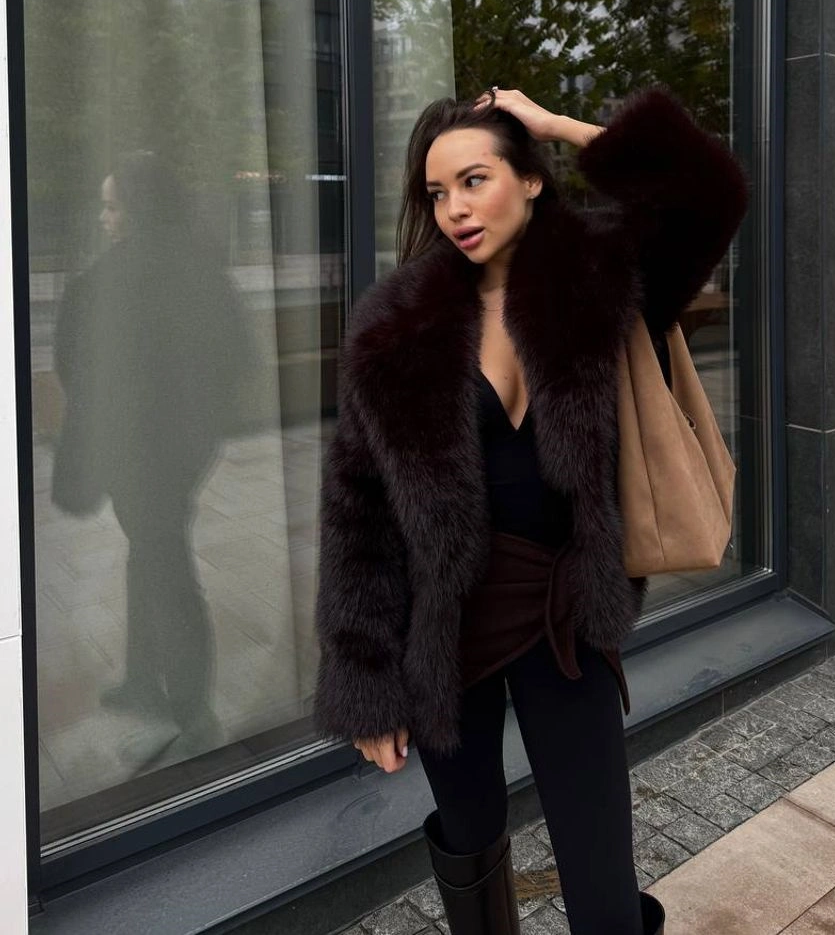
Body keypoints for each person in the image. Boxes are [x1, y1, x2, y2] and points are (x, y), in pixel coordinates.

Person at [314, 85, 749, 934]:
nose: (454, 208)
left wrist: (555, 125)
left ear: (531, 179)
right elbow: (356, 514)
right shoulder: (394, 327)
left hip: (564, 616)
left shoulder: (601, 280)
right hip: (447, 629)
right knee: (471, 841)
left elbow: (710, 192)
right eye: (437, 192)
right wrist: (364, 678)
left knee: (601, 875)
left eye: (474, 180)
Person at [52, 151, 248, 770]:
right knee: (150, 557)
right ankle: (142, 679)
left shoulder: (111, 280)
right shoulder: (203, 270)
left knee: (167, 570)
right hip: (180, 452)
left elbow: (76, 368)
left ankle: (194, 715)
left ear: (138, 209)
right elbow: (235, 360)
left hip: (143, 457)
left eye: (112, 206)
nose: (104, 217)